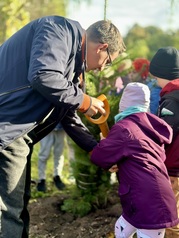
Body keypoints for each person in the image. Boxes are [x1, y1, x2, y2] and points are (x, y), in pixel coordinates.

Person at [0, 15, 126, 237]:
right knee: (9, 210)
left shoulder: (74, 61)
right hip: (8, 128)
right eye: (108, 61)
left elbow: (67, 114)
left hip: (17, 133)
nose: (101, 69)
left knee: (18, 202)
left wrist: (97, 151)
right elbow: (42, 75)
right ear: (102, 47)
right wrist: (86, 101)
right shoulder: (58, 30)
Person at [90, 82, 179, 238]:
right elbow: (142, 155)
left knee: (145, 233)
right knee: (121, 227)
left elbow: (99, 156)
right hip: (144, 196)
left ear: (123, 107)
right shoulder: (151, 127)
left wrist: (104, 142)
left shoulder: (124, 128)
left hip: (149, 202)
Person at [149, 46, 179, 238]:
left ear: (161, 74)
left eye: (155, 77)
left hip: (174, 167)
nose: (154, 81)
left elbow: (165, 133)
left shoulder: (172, 99)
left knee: (171, 218)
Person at [37, 123, 66, 192]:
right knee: (44, 154)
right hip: (46, 126)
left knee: (59, 153)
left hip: (61, 127)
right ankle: (41, 179)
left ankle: (57, 175)